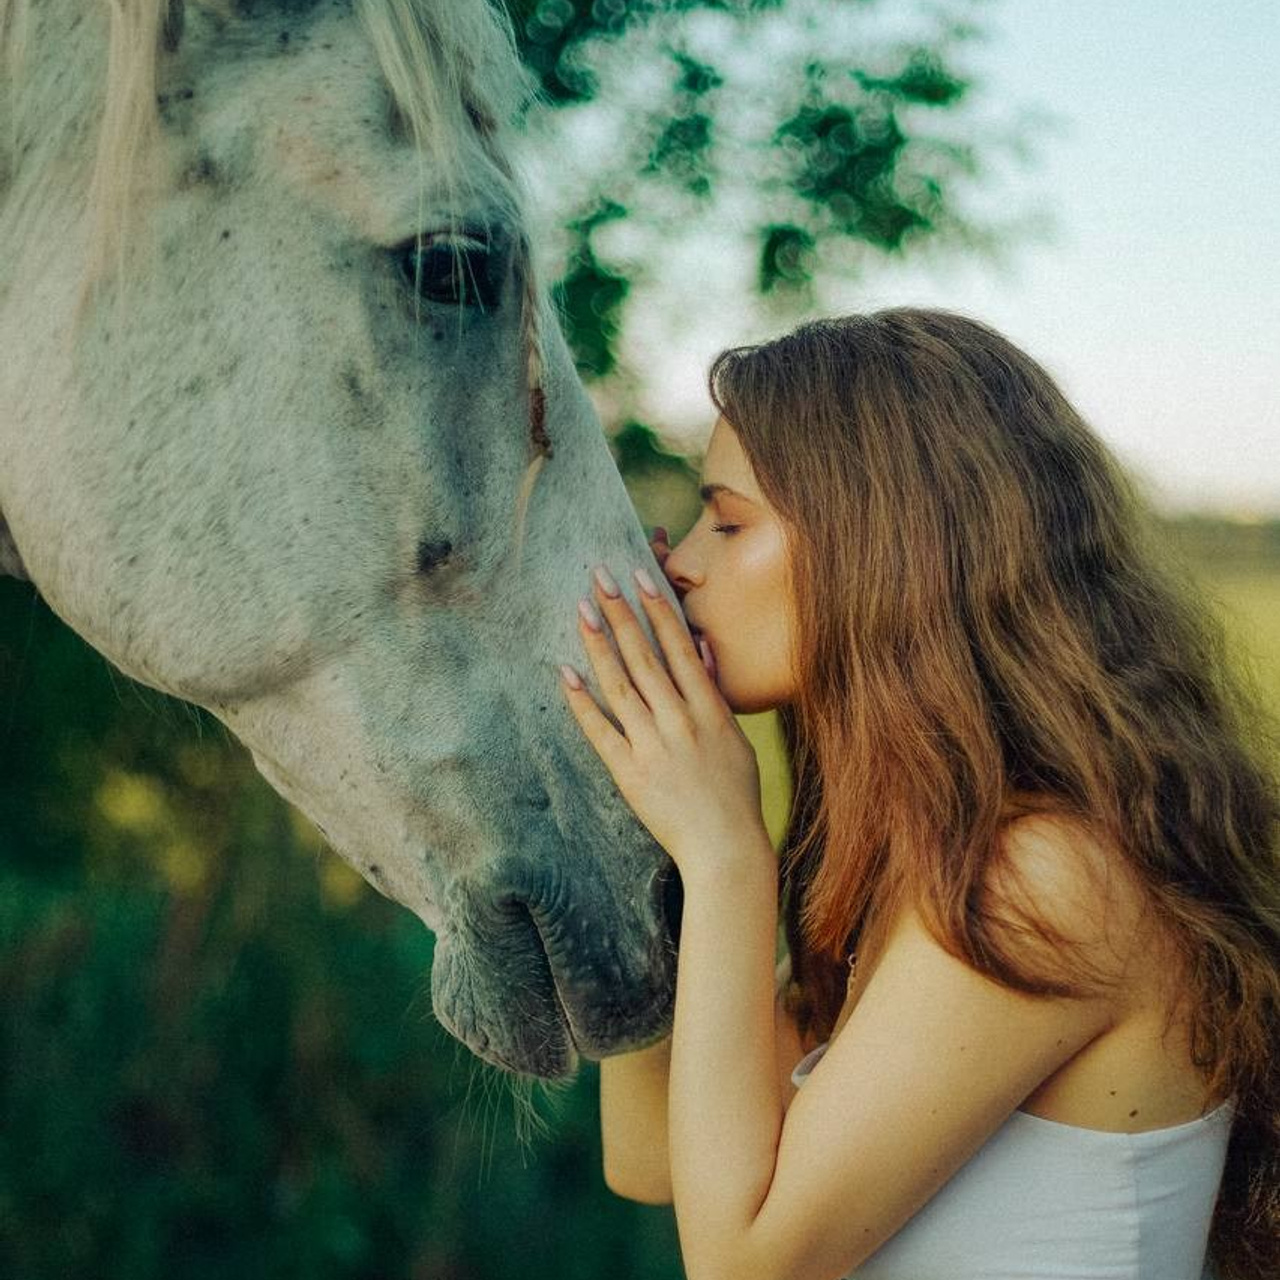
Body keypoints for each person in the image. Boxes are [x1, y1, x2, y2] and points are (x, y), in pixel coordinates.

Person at [556, 310, 1278, 1280]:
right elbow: (649, 1157)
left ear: (887, 548)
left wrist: (724, 852)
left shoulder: (1047, 879)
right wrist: (646, 822)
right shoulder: (916, 859)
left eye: (727, 522)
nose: (677, 562)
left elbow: (742, 1260)